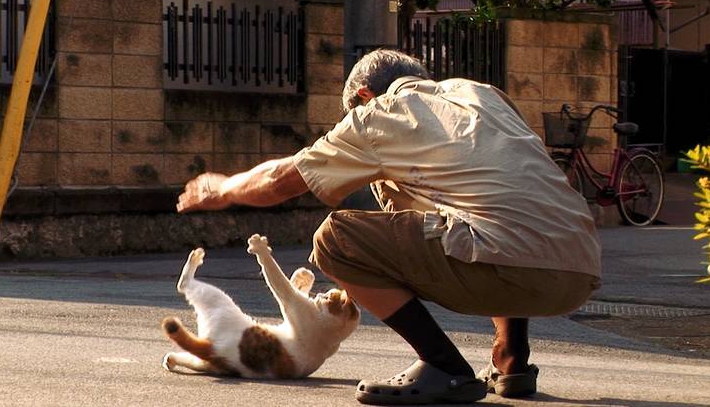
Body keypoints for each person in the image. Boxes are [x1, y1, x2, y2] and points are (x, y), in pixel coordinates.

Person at [176, 49, 601, 405]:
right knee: (486, 208)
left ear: (363, 95)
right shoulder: (481, 94)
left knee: (336, 239)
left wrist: (224, 187)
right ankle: (512, 362)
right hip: (581, 267)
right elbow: (510, 190)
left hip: (508, 267)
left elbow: (278, 181)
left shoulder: (377, 114)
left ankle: (444, 366)